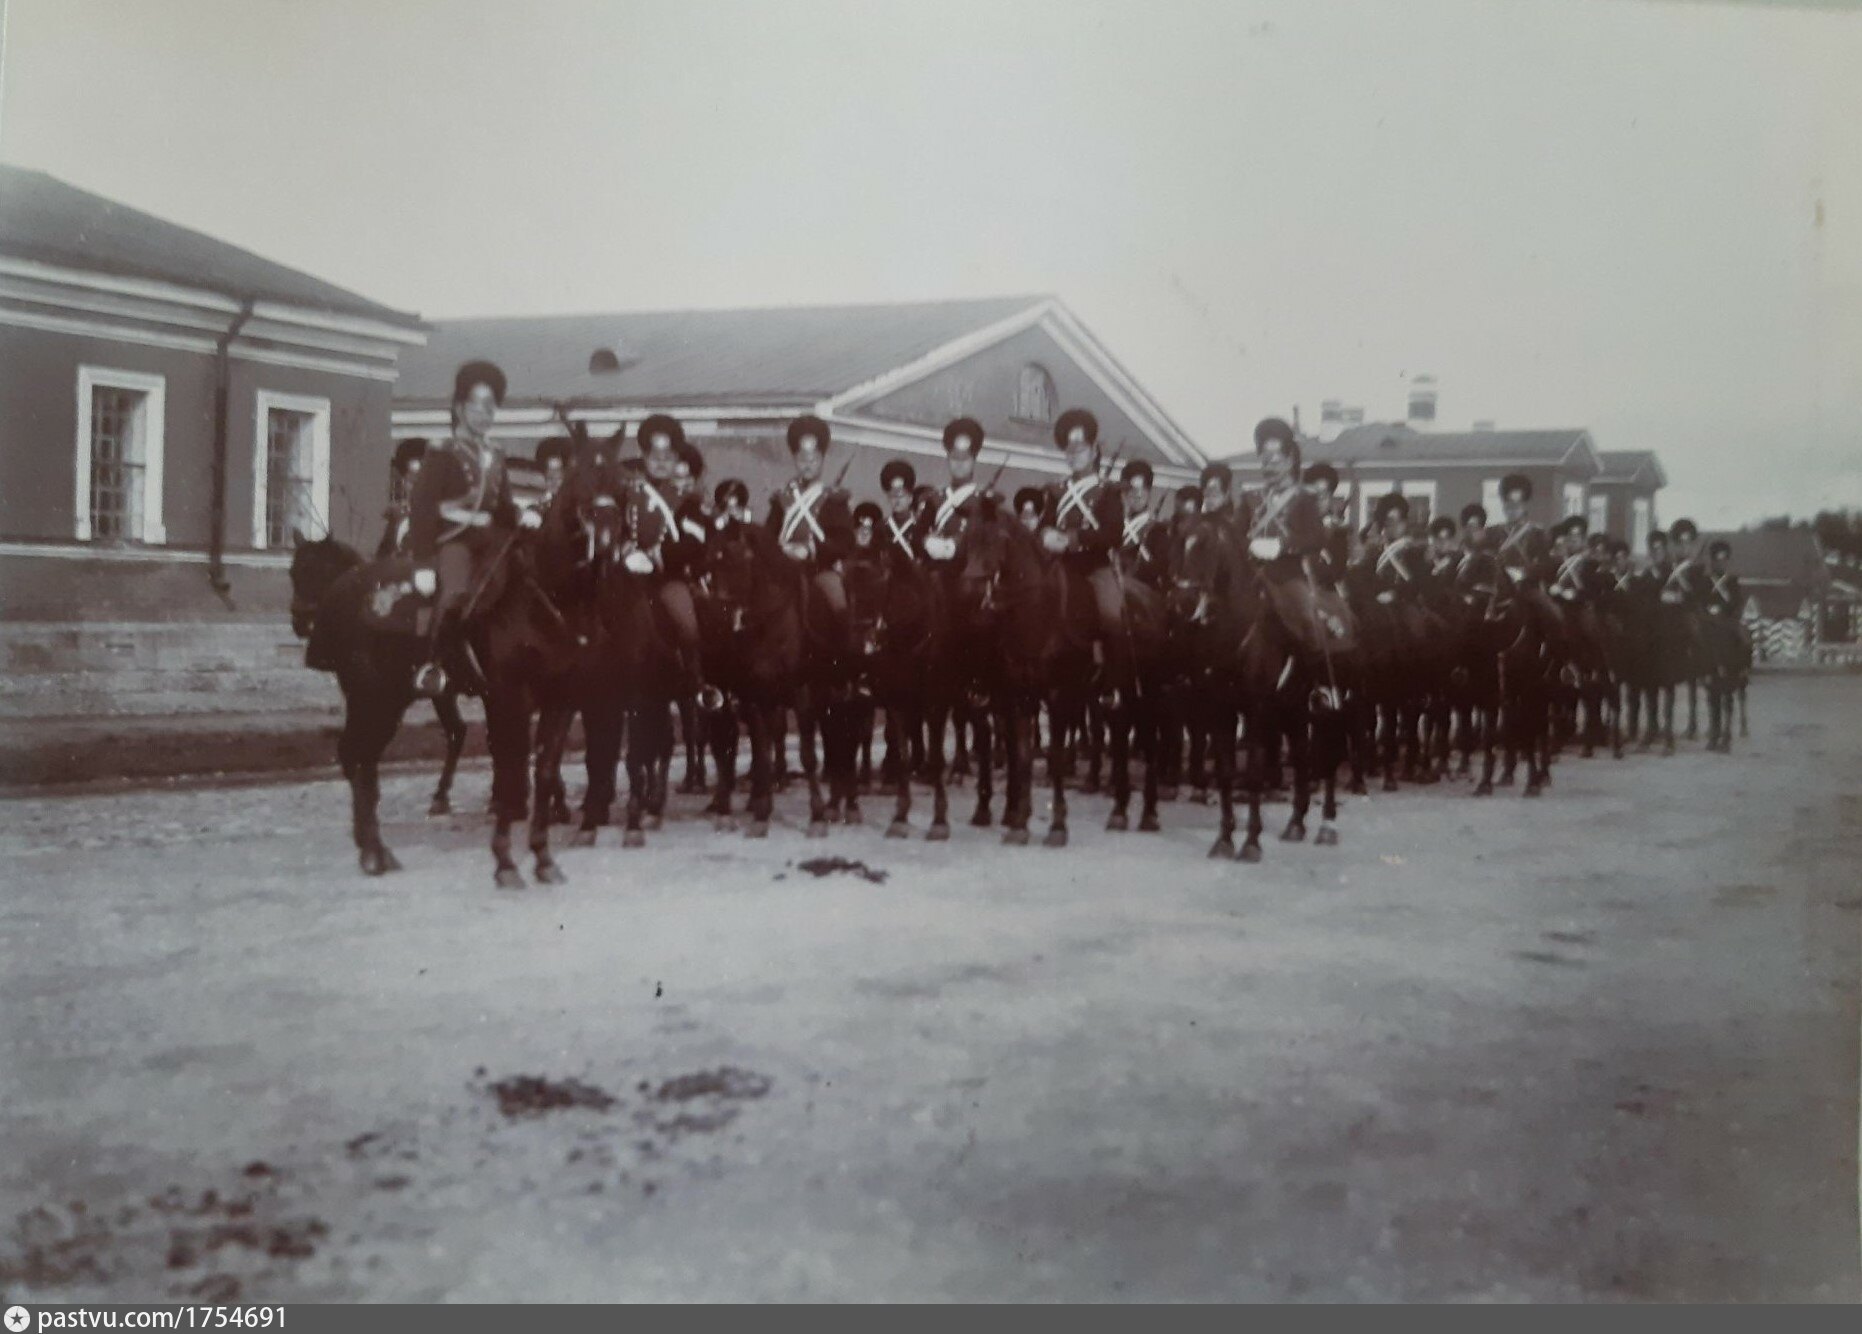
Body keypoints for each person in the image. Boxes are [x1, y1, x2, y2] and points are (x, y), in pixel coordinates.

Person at [408, 361, 538, 698]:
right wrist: (422, 564)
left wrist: (524, 514)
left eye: (490, 406)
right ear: (459, 408)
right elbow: (422, 508)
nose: (483, 413)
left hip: (492, 542)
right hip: (455, 540)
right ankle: (432, 664)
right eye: (475, 405)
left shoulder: (495, 454)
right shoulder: (442, 452)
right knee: (454, 593)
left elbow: (503, 506)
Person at [626, 415, 711, 703]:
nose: (661, 461)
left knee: (686, 622)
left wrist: (656, 556)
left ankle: (697, 683)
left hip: (666, 577)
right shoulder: (629, 492)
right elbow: (616, 528)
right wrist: (626, 551)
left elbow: (694, 544)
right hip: (627, 576)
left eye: (668, 455)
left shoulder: (688, 501)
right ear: (643, 455)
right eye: (654, 454)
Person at [1039, 408, 1126, 677]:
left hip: (1093, 568)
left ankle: (1111, 679)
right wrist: (1045, 535)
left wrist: (1072, 539)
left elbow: (1113, 533)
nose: (1074, 454)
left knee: (1112, 613)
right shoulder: (1056, 491)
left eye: (1081, 447)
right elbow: (1045, 523)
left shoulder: (1108, 491)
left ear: (1093, 450)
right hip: (1059, 566)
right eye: (1069, 449)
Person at [767, 414, 854, 620]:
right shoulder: (782, 499)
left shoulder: (834, 500)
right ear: (795, 460)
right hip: (783, 569)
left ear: (822, 459)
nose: (807, 465)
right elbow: (769, 537)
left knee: (838, 602)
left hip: (819, 569)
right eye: (802, 459)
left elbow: (845, 542)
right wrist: (782, 550)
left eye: (813, 459)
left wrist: (811, 549)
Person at [920, 418, 990, 567]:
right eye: (954, 458)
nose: (959, 464)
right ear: (948, 459)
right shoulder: (934, 499)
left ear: (974, 460)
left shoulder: (985, 502)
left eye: (965, 458)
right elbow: (918, 538)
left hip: (968, 580)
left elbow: (988, 544)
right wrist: (927, 541)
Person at [1118, 459, 1168, 589]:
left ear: (1149, 491)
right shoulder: (1112, 524)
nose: (1138, 494)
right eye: (1132, 489)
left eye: (1144, 489)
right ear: (1123, 491)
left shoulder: (1158, 530)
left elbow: (1159, 570)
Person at [377, 437, 427, 558]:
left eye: (422, 479)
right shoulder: (397, 516)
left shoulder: (442, 512)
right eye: (410, 479)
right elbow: (382, 557)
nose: (416, 486)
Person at [878, 459, 921, 558]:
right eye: (893, 496)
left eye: (901, 496)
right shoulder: (881, 527)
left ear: (910, 498)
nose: (897, 501)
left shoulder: (919, 527)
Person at [1704, 539, 1744, 620]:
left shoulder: (1733, 581)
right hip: (1706, 622)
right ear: (1712, 561)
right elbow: (1700, 602)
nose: (1721, 563)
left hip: (1726, 622)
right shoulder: (1705, 581)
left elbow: (1737, 604)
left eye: (1724, 560)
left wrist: (1721, 608)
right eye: (1717, 560)